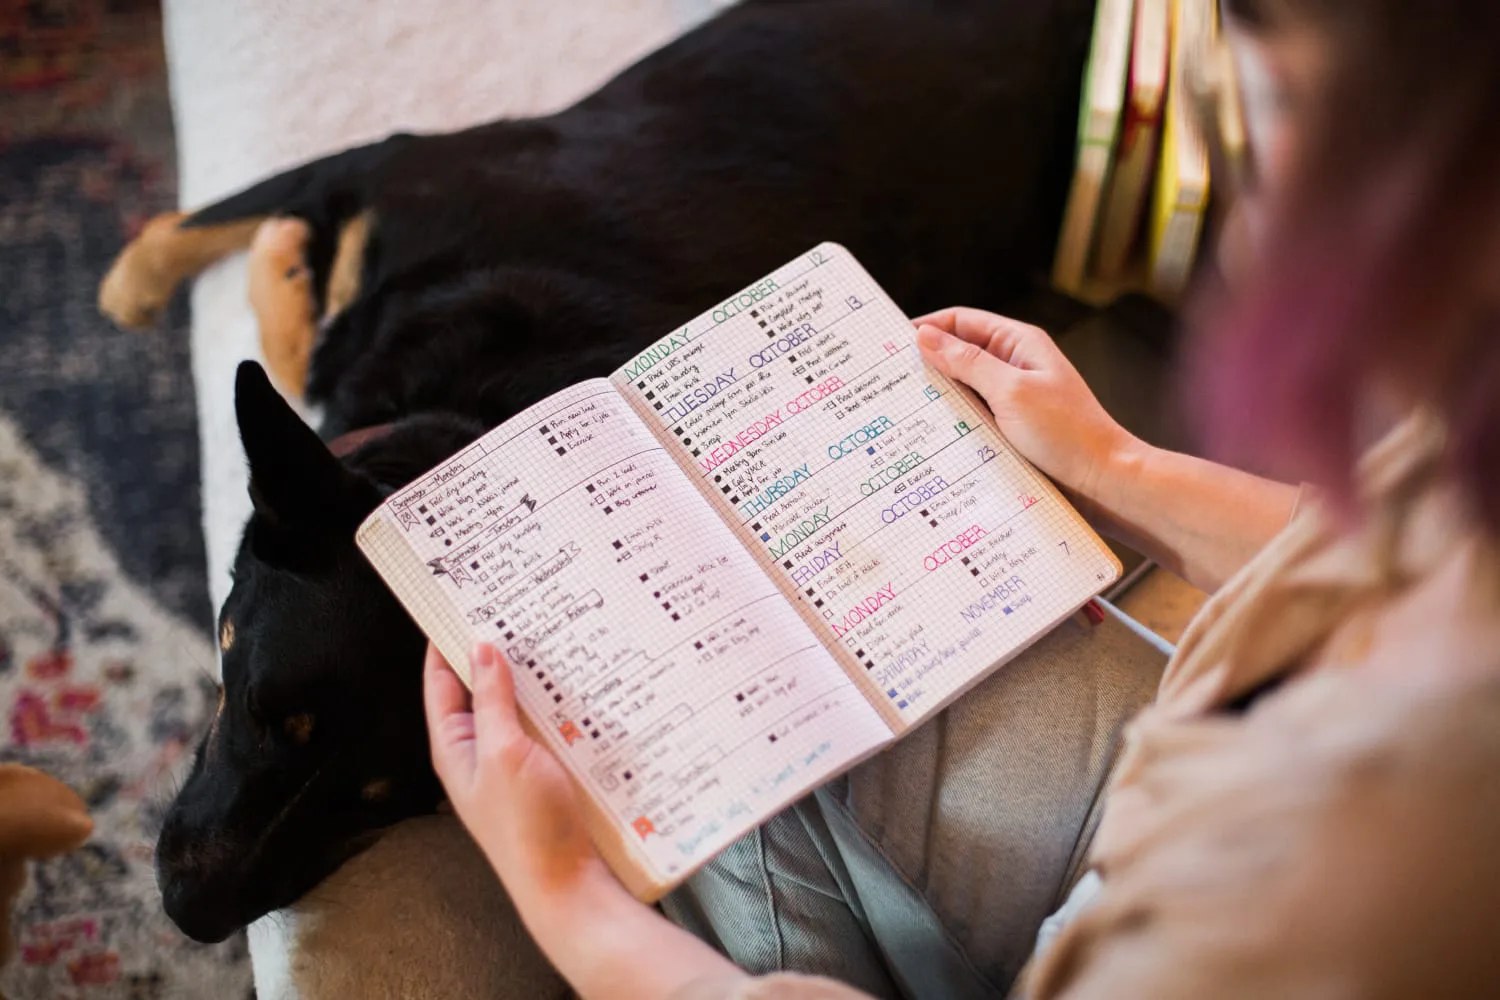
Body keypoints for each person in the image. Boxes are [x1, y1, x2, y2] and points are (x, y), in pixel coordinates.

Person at [423, 0, 1500, 996]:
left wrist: (567, 900)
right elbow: (1384, 547)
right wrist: (1109, 466)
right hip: (1227, 754)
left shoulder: (1341, 894)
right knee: (800, 670)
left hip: (1190, 894)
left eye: (1288, 109)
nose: (1246, 217)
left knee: (704, 763)